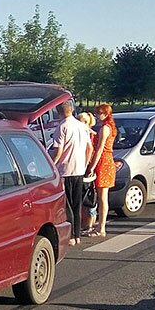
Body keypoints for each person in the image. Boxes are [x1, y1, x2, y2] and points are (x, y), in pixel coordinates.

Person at [51, 102, 93, 245]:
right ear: (72, 110)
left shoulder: (62, 127)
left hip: (65, 169)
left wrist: (52, 165)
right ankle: (77, 235)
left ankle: (71, 236)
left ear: (59, 113)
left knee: (67, 204)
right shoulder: (82, 126)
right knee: (77, 204)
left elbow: (59, 151)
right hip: (79, 169)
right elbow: (89, 148)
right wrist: (85, 164)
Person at [83, 104, 116, 237]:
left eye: (99, 113)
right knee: (103, 196)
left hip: (103, 162)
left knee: (102, 197)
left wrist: (92, 167)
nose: (97, 115)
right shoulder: (109, 127)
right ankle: (100, 226)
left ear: (106, 114)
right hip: (107, 160)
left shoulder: (105, 128)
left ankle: (101, 228)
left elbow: (100, 148)